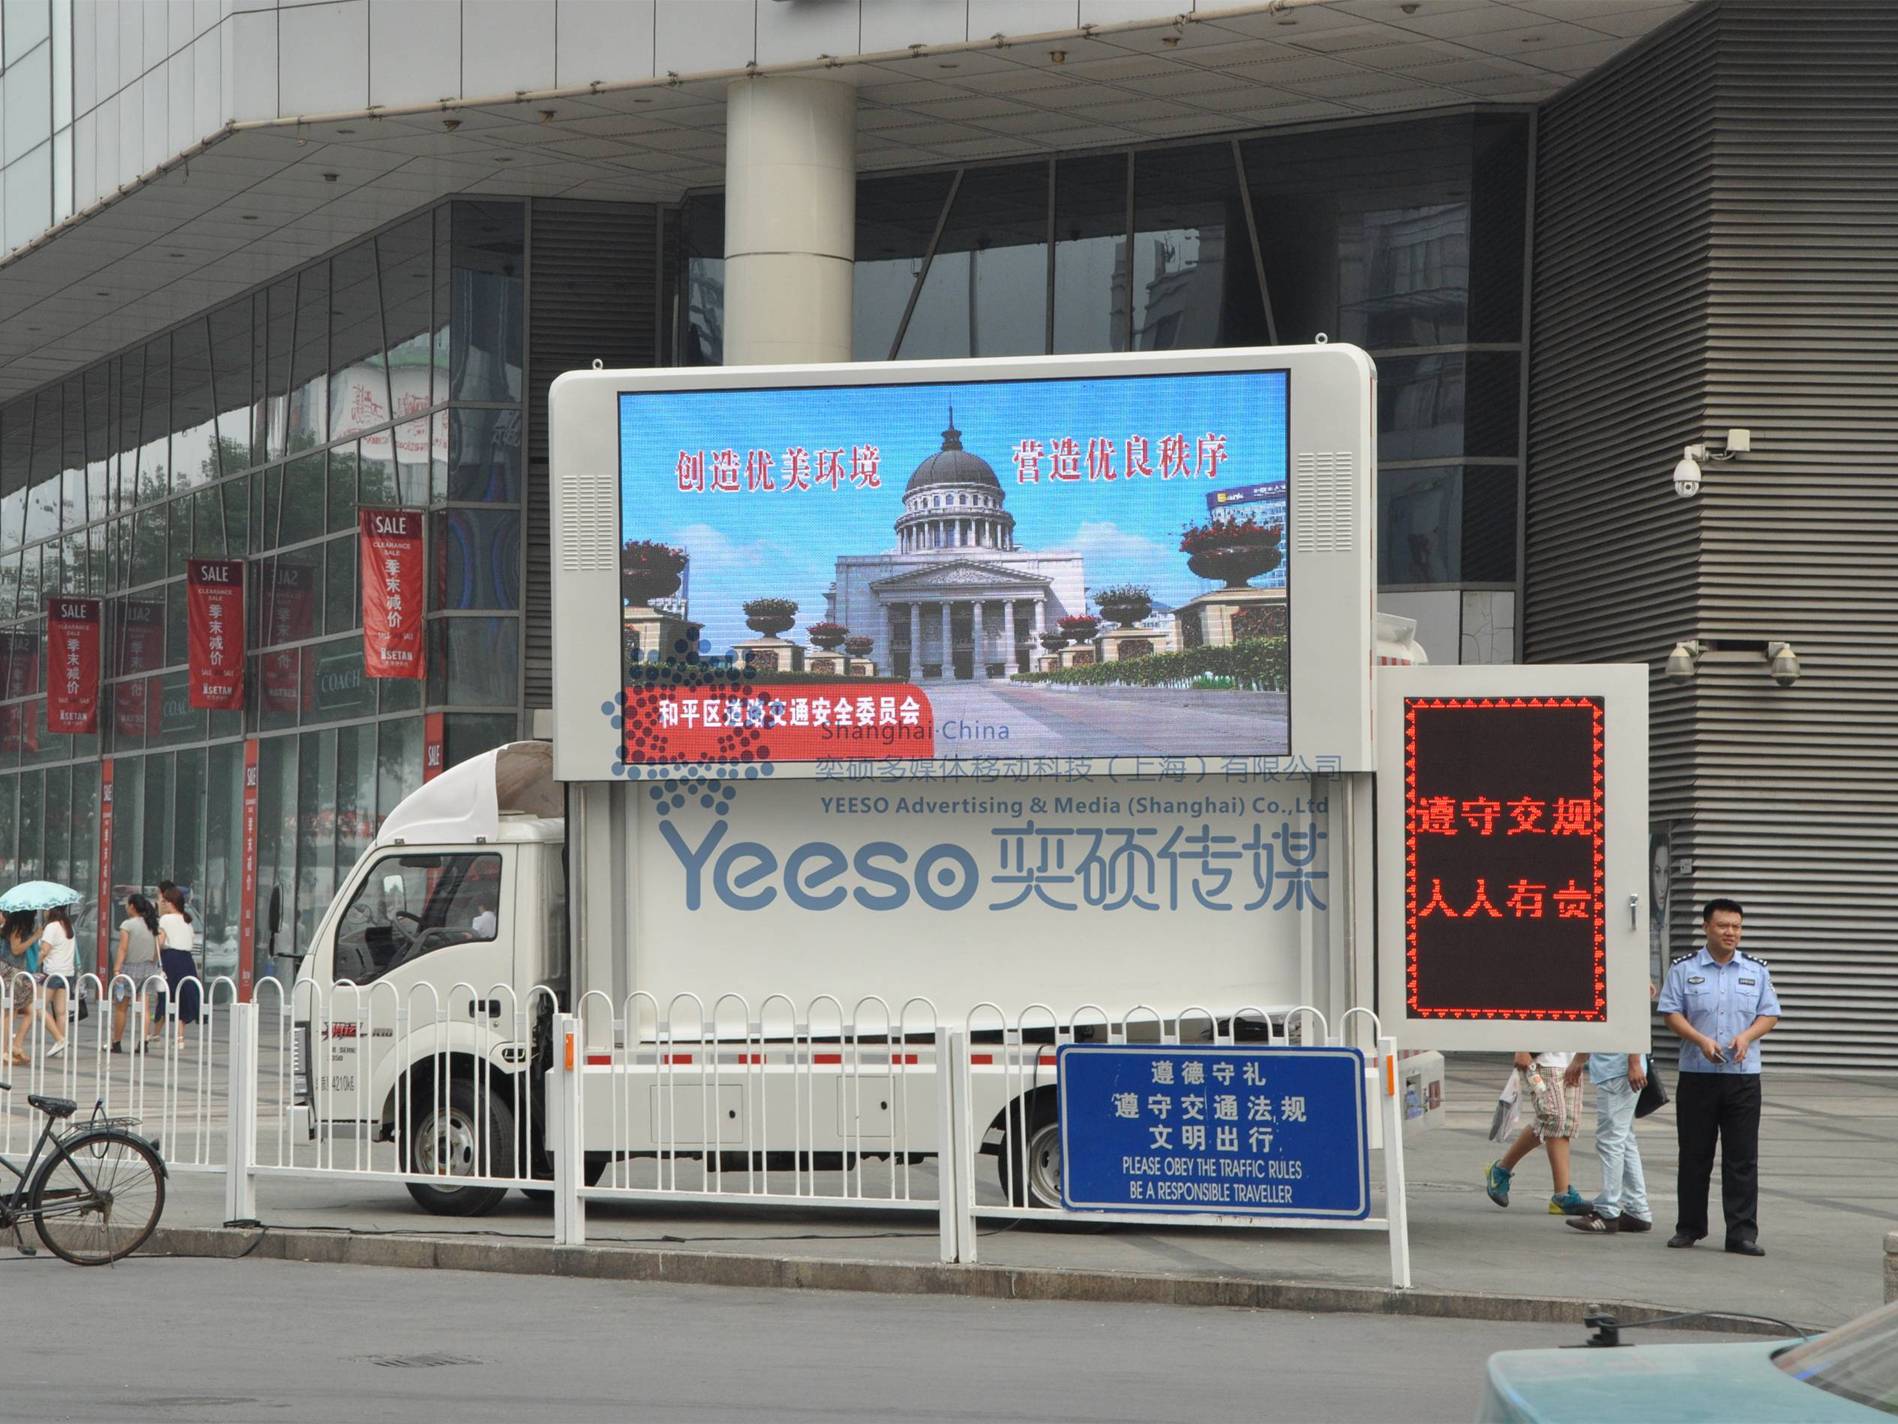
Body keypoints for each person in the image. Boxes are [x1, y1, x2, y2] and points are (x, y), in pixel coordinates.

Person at [1658, 897, 1780, 1256]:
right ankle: (1689, 1227)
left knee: (1742, 1156)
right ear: (1706, 927)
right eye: (1724, 925)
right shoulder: (1684, 968)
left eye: (1737, 927)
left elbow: (1769, 1014)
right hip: (1698, 1075)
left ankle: (1741, 1234)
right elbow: (1670, 1012)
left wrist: (1746, 1036)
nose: (1731, 933)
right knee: (1694, 1154)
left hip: (1743, 1078)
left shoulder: (1756, 970)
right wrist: (1699, 1039)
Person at [1484, 1050, 1591, 1216]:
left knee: (1565, 1125)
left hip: (1571, 1060)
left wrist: (1582, 1057)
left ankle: (1561, 1195)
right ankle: (1560, 1196)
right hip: (1542, 1061)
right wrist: (1521, 1049)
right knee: (1553, 1118)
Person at [1562, 1048, 1653, 1236]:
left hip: (1617, 1070)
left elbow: (1634, 1022)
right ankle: (1637, 1210)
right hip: (1616, 1068)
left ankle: (1607, 1211)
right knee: (1624, 1140)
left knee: (1611, 1141)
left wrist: (1634, 1061)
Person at [111, 893, 162, 1054]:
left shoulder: (128, 924)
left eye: (127, 904)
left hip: (129, 969)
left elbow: (123, 948)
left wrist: (117, 969)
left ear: (132, 906)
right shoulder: (152, 924)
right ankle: (143, 1041)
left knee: (121, 1007)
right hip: (149, 969)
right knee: (145, 1008)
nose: (126, 907)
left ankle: (116, 1042)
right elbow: (157, 949)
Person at [154, 884, 198, 1050]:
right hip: (187, 960)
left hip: (170, 959)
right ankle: (180, 1037)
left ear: (170, 903)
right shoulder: (187, 920)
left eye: (164, 901)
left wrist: (154, 956)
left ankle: (156, 1034)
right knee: (184, 996)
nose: (162, 904)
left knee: (165, 995)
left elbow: (160, 941)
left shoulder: (166, 919)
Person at [1, 909, 44, 1066]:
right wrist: (35, 937)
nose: (35, 916)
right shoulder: (16, 927)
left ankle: (16, 1046)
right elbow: (16, 949)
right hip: (11, 973)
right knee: (9, 1013)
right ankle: (4, 1051)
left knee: (30, 1011)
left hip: (19, 973)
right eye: (33, 913)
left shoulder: (18, 926)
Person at [36, 904, 75, 1059]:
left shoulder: (51, 926)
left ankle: (59, 1040)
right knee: (61, 1013)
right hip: (67, 973)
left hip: (52, 973)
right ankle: (61, 1046)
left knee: (38, 1007)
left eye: (46, 909)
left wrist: (32, 965)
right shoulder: (67, 925)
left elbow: (44, 951)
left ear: (51, 910)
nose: (44, 912)